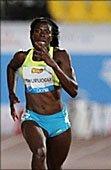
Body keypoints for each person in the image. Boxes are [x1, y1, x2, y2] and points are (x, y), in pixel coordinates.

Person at [7, 17, 78, 170]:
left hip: (58, 121)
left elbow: (73, 91)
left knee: (54, 166)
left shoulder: (60, 56)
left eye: (46, 32)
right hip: (33, 117)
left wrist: (51, 64)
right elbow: (11, 67)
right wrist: (11, 94)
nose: (42, 35)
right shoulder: (22, 57)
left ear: (51, 37)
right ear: (31, 35)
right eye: (38, 31)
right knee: (39, 153)